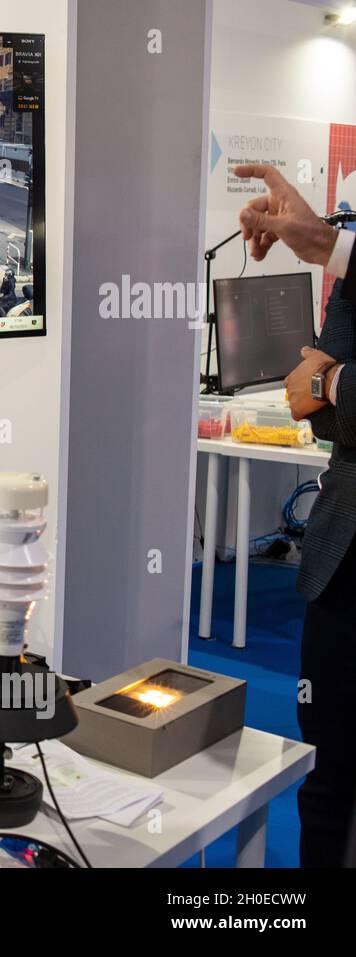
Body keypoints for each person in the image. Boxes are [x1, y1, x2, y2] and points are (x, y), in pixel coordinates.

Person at [235, 162, 356, 867]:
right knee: (325, 773)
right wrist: (329, 249)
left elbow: (323, 380)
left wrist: (336, 379)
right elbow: (312, 408)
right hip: (343, 557)